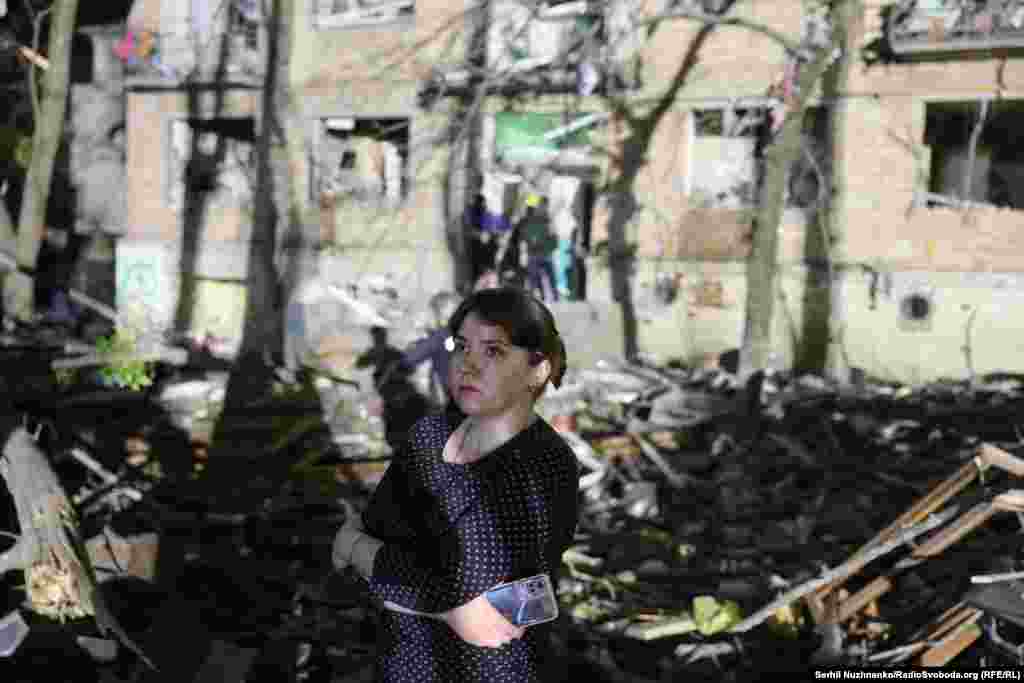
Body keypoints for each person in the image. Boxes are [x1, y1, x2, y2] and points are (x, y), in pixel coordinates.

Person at [332, 287, 579, 683]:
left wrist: (358, 549)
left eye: (494, 351)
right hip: (402, 665)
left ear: (538, 369)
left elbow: (480, 603)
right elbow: (374, 538)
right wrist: (439, 601)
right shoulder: (429, 435)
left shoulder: (543, 466)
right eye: (462, 347)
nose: (468, 364)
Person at [517, 195, 559, 302]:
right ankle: (533, 300)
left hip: (545, 254)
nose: (544, 208)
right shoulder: (531, 218)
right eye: (542, 205)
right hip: (534, 254)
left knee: (551, 280)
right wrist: (531, 242)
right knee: (533, 280)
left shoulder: (548, 220)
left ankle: (554, 299)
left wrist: (549, 246)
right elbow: (525, 234)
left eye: (545, 206)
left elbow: (554, 238)